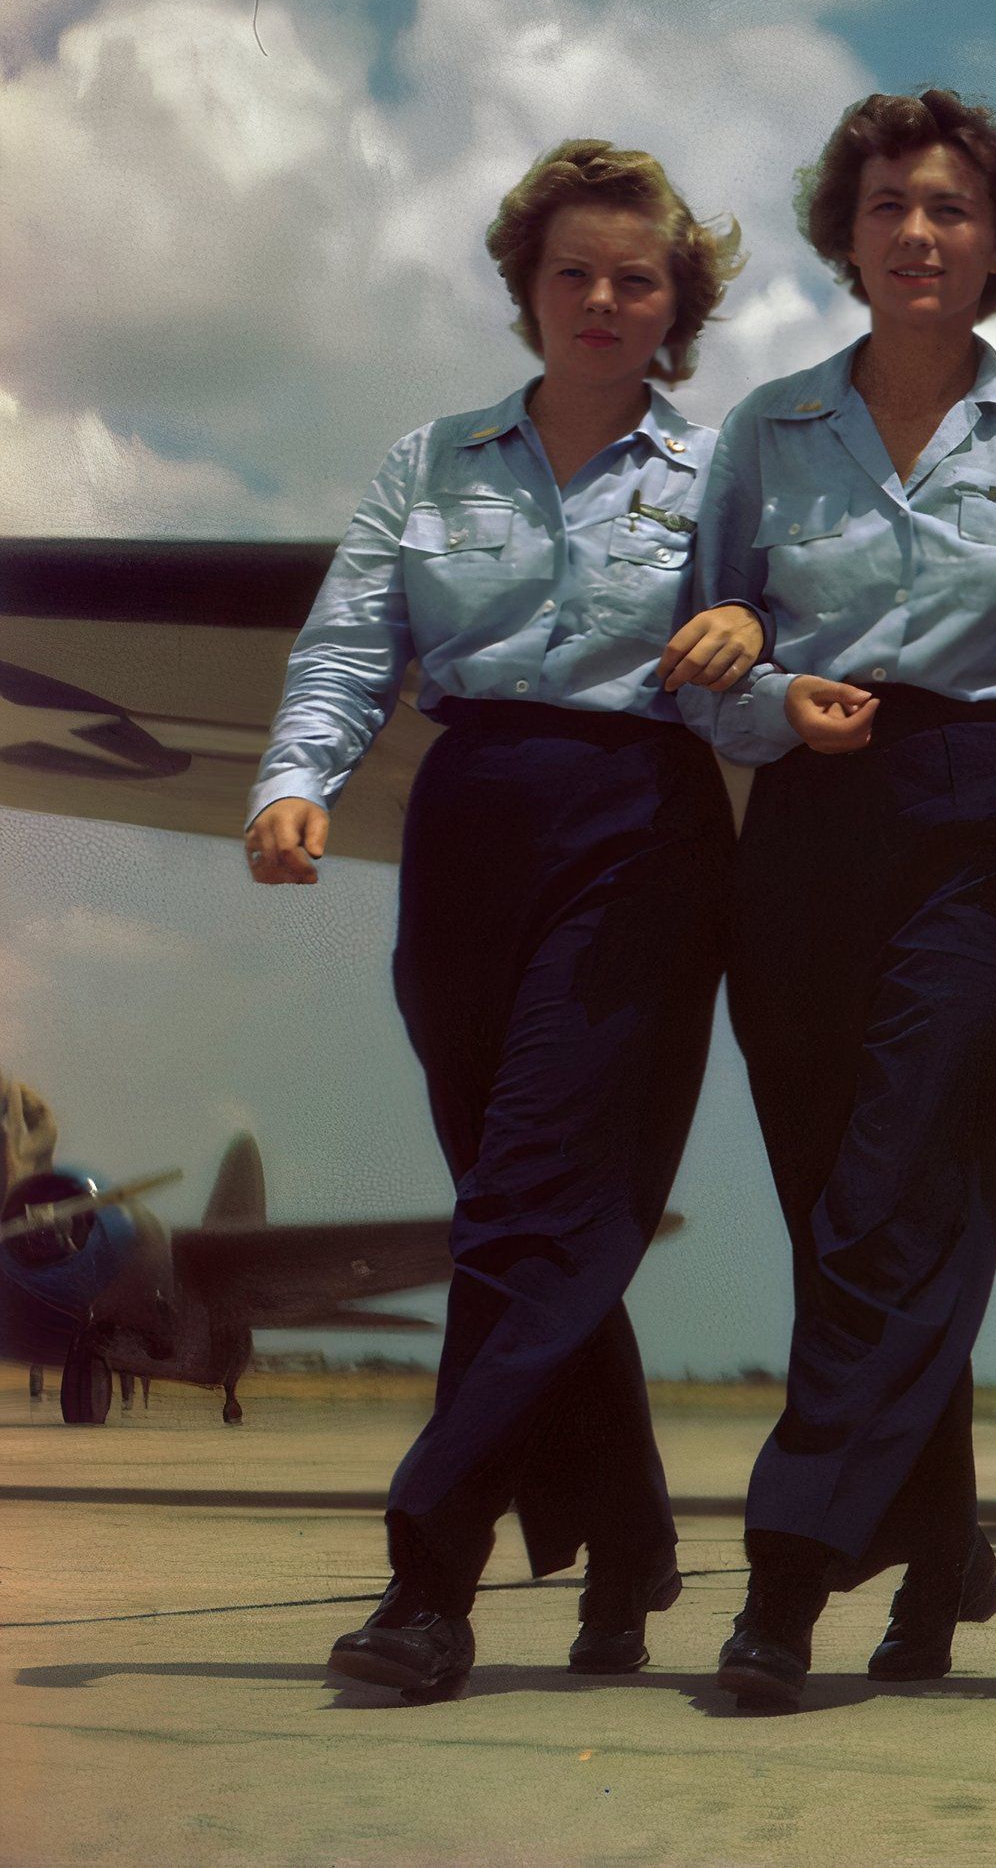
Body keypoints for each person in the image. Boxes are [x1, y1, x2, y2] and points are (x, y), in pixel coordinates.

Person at [252, 141, 758, 1700]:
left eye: (637, 278)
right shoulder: (431, 463)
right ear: (528, 289)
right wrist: (298, 778)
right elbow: (351, 640)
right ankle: (628, 1536)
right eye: (574, 273)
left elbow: (786, 674)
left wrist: (749, 642)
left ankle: (431, 1577)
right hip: (466, 825)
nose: (603, 300)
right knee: (514, 1204)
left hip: (642, 827)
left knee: (537, 1195)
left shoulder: (725, 472)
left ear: (678, 304)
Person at [691, 88, 996, 1710]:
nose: (918, 234)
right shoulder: (765, 431)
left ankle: (786, 1574)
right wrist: (757, 694)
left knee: (893, 1200)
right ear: (845, 234)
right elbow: (708, 653)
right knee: (837, 1217)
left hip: (971, 822)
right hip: (803, 822)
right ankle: (940, 1547)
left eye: (948, 208)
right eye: (887, 208)